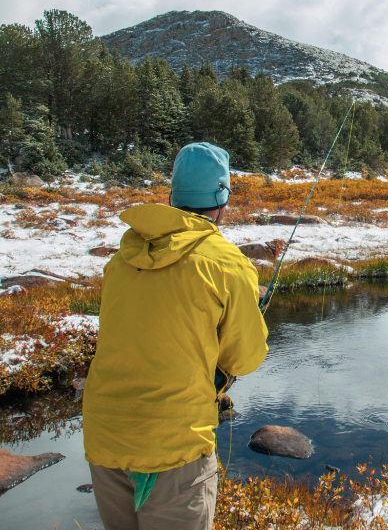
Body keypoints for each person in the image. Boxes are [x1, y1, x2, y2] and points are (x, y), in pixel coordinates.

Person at [83, 142, 269, 530]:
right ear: (222, 197)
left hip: (104, 438)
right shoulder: (227, 264)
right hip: (175, 446)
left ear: (173, 195)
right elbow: (245, 359)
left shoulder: (122, 260)